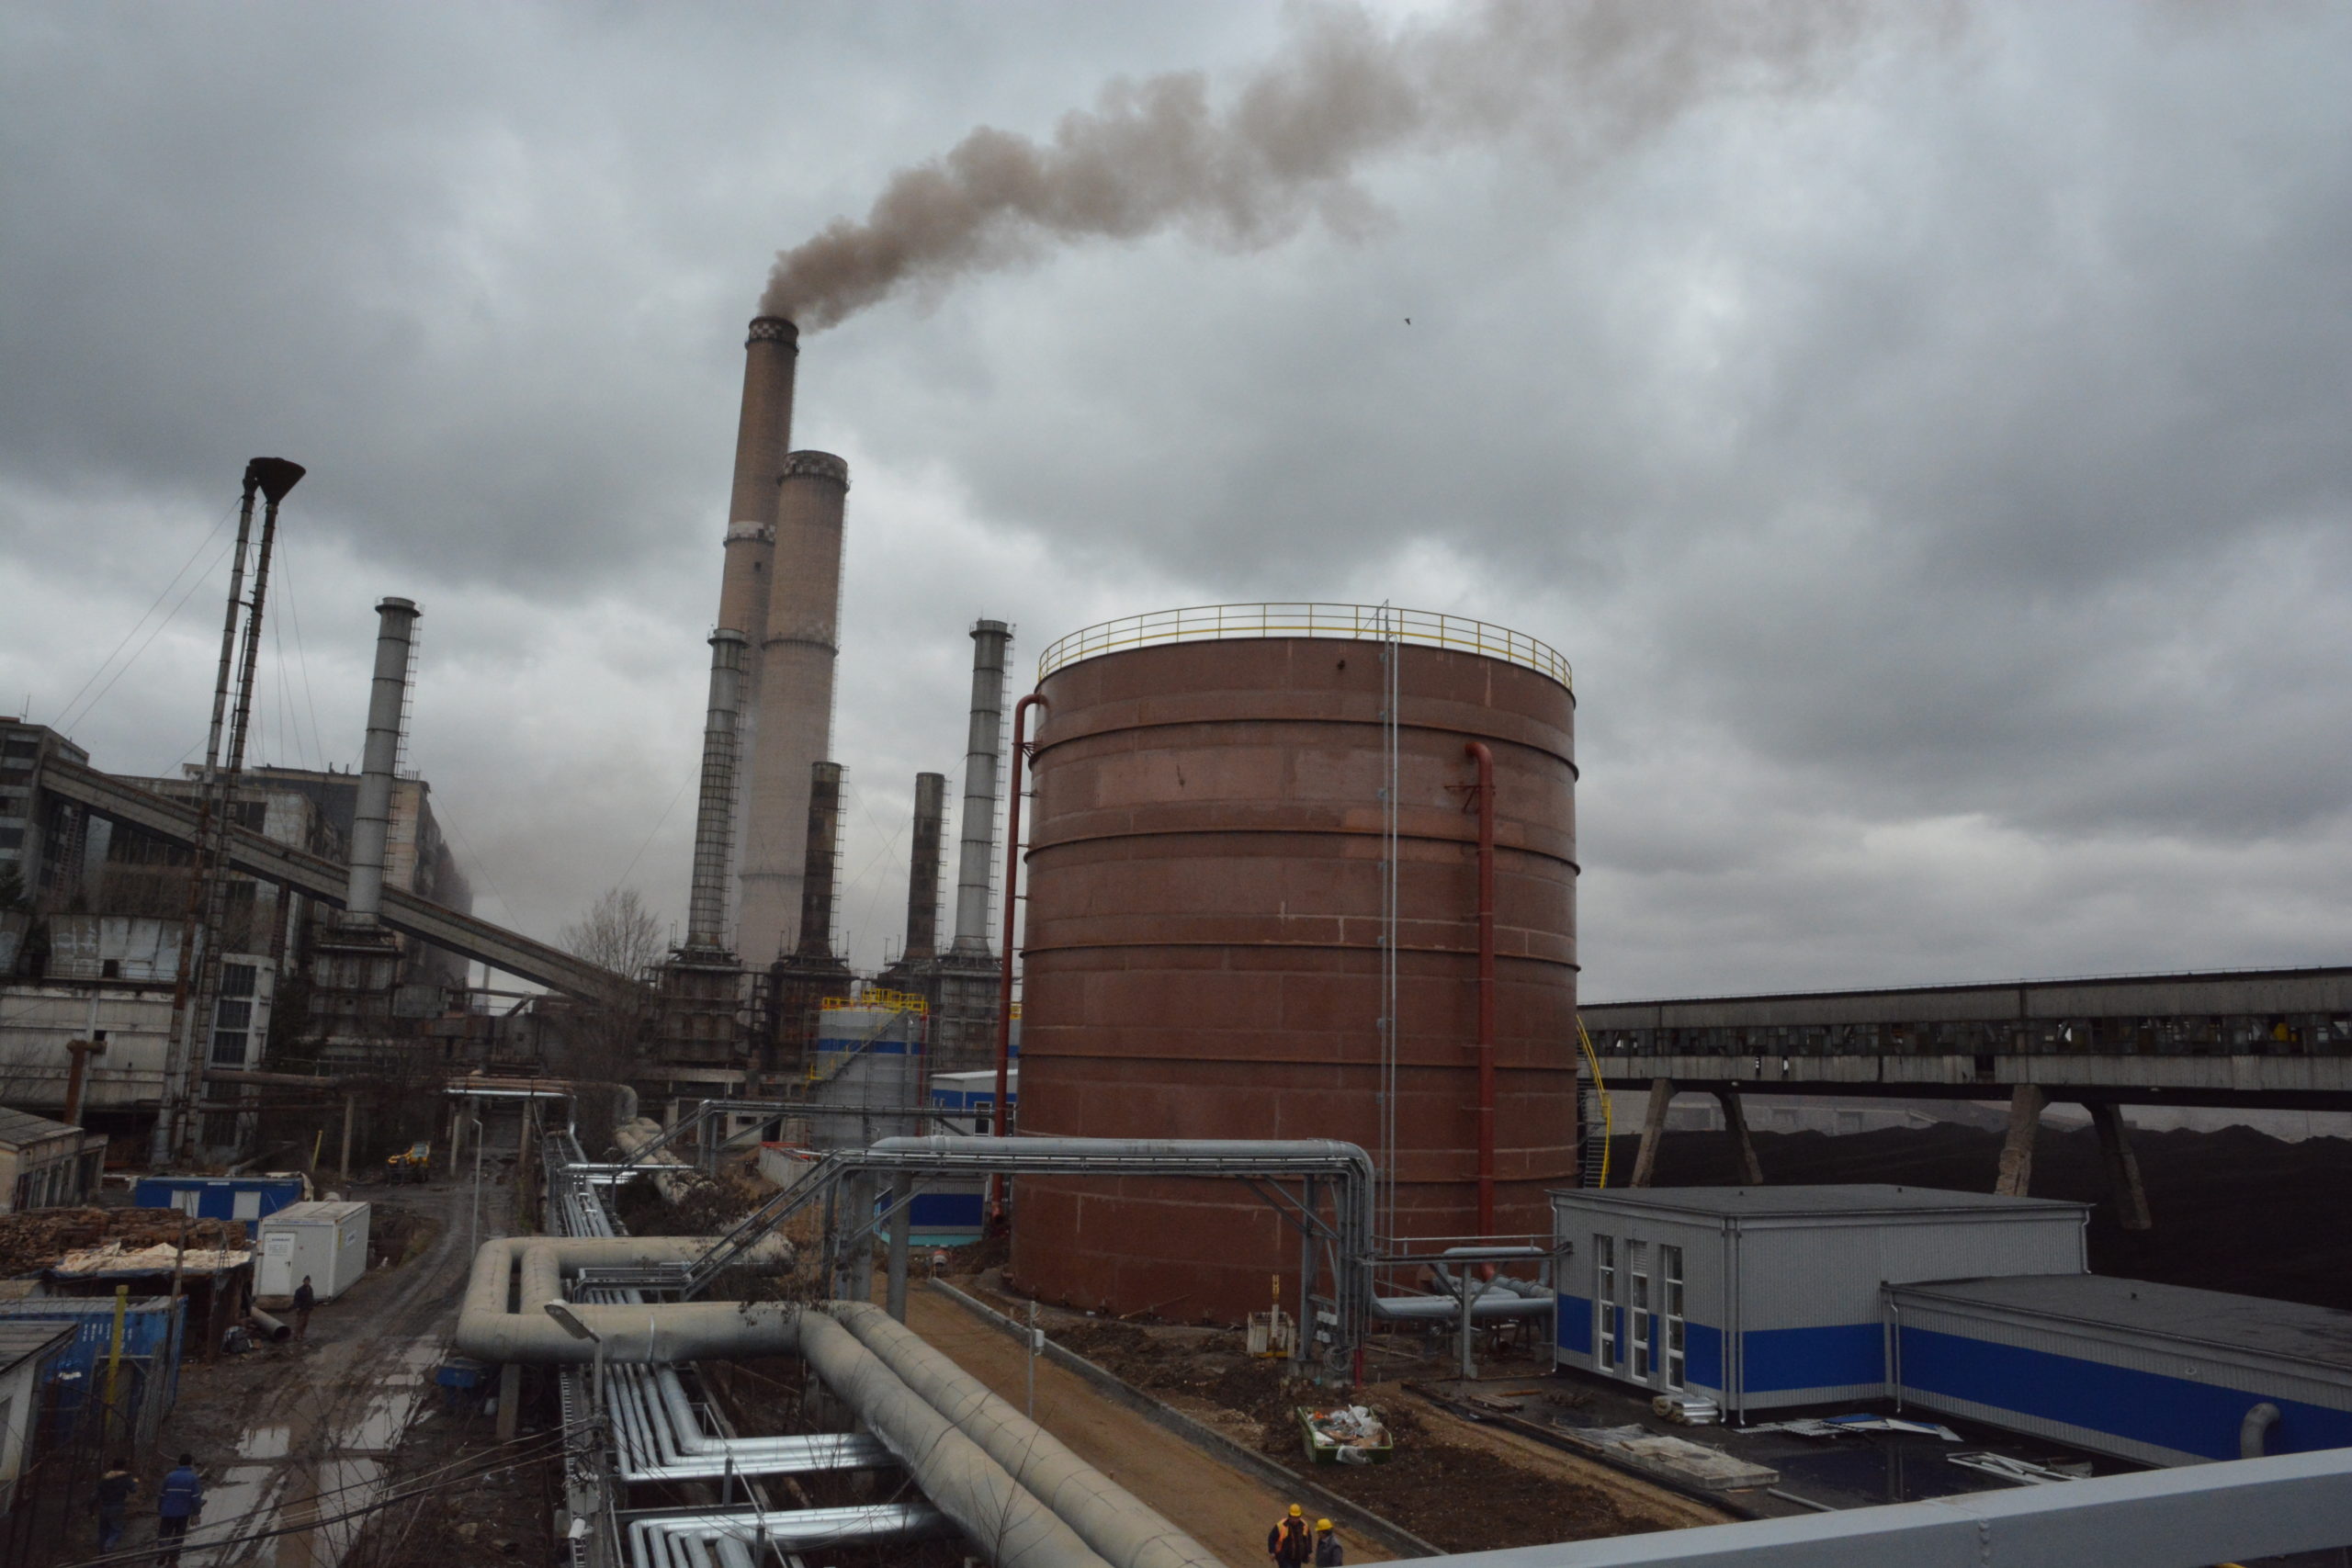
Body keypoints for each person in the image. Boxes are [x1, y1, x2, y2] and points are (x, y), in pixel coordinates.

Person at [156, 1452, 203, 1565]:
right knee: (179, 1535)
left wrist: (160, 1508)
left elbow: (162, 1495)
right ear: (190, 1464)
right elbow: (196, 1498)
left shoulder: (169, 1476)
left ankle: (163, 1550)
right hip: (183, 1513)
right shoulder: (193, 1478)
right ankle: (173, 1558)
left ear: (179, 1463)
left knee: (164, 1534)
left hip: (168, 1512)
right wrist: (196, 1514)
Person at [95, 1457, 134, 1551]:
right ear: (124, 1466)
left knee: (103, 1531)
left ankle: (102, 1554)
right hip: (117, 1507)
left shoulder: (105, 1478)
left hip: (104, 1507)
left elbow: (96, 1494)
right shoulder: (126, 1477)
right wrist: (134, 1482)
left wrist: (90, 1509)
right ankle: (109, 1545)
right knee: (116, 1530)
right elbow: (133, 1490)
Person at [1267, 1502, 1312, 1568]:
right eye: (1293, 1517)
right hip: (1284, 1558)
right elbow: (1271, 1538)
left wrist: (1308, 1552)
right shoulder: (1281, 1525)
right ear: (1289, 1516)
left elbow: (1308, 1539)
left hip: (1297, 1559)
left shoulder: (1304, 1525)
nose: (1295, 1520)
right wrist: (1272, 1551)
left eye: (1296, 1517)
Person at [292, 1275, 317, 1343]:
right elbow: (296, 1300)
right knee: (299, 1323)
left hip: (308, 1309)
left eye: (308, 1281)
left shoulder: (310, 1289)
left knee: (305, 1323)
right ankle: (297, 1336)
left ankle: (302, 1334)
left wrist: (313, 1305)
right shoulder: (299, 1290)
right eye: (306, 1281)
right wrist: (297, 1307)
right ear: (303, 1281)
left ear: (309, 1282)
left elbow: (311, 1298)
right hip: (301, 1309)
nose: (307, 1282)